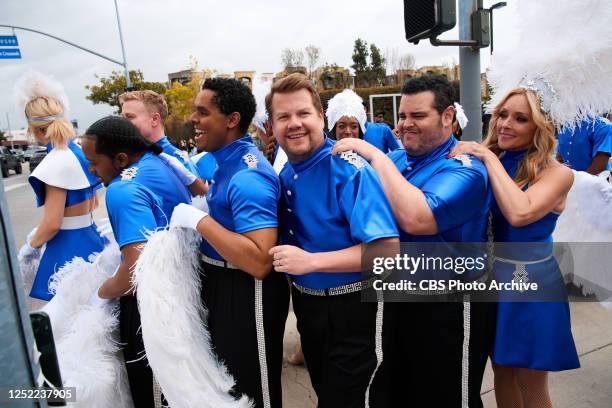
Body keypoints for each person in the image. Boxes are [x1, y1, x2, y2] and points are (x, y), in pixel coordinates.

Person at [333, 74, 494, 407]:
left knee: (448, 397)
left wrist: (374, 156)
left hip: (449, 308)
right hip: (395, 301)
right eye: (403, 116)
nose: (405, 124)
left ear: (448, 116)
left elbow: (418, 218)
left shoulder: (466, 167)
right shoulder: (397, 160)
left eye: (417, 116)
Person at [265, 73, 399, 407]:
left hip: (356, 309)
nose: (294, 124)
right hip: (310, 310)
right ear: (272, 126)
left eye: (303, 114)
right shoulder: (285, 173)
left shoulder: (349, 169)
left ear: (321, 118)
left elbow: (387, 251)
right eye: (284, 117)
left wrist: (310, 262)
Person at [450, 87, 580, 408]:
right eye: (502, 115)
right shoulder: (491, 161)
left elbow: (520, 213)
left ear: (541, 127)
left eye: (520, 119)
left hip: (531, 285)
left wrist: (489, 157)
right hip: (492, 282)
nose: (505, 124)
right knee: (502, 375)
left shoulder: (557, 173)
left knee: (530, 381)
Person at [169, 78, 289, 408]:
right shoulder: (227, 161)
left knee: (252, 393)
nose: (193, 118)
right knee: (229, 389)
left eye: (202, 112)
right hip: (224, 284)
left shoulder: (248, 174)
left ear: (232, 120)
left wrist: (199, 221)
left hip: (247, 290)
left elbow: (260, 261)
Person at [81, 115, 191, 407]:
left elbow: (135, 272)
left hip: (150, 313)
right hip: (183, 297)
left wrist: (100, 292)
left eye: (94, 162)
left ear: (119, 158)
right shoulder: (159, 163)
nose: (91, 170)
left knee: (152, 395)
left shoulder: (121, 190)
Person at [15, 71, 106, 301]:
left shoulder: (57, 160)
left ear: (33, 128)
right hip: (91, 239)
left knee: (65, 326)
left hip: (68, 250)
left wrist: (31, 245)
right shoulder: (77, 152)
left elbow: (53, 222)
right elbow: (94, 201)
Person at [119, 90, 209, 195]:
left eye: (129, 117)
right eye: (123, 118)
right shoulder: (130, 157)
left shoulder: (178, 160)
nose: (122, 123)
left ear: (154, 119)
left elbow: (197, 205)